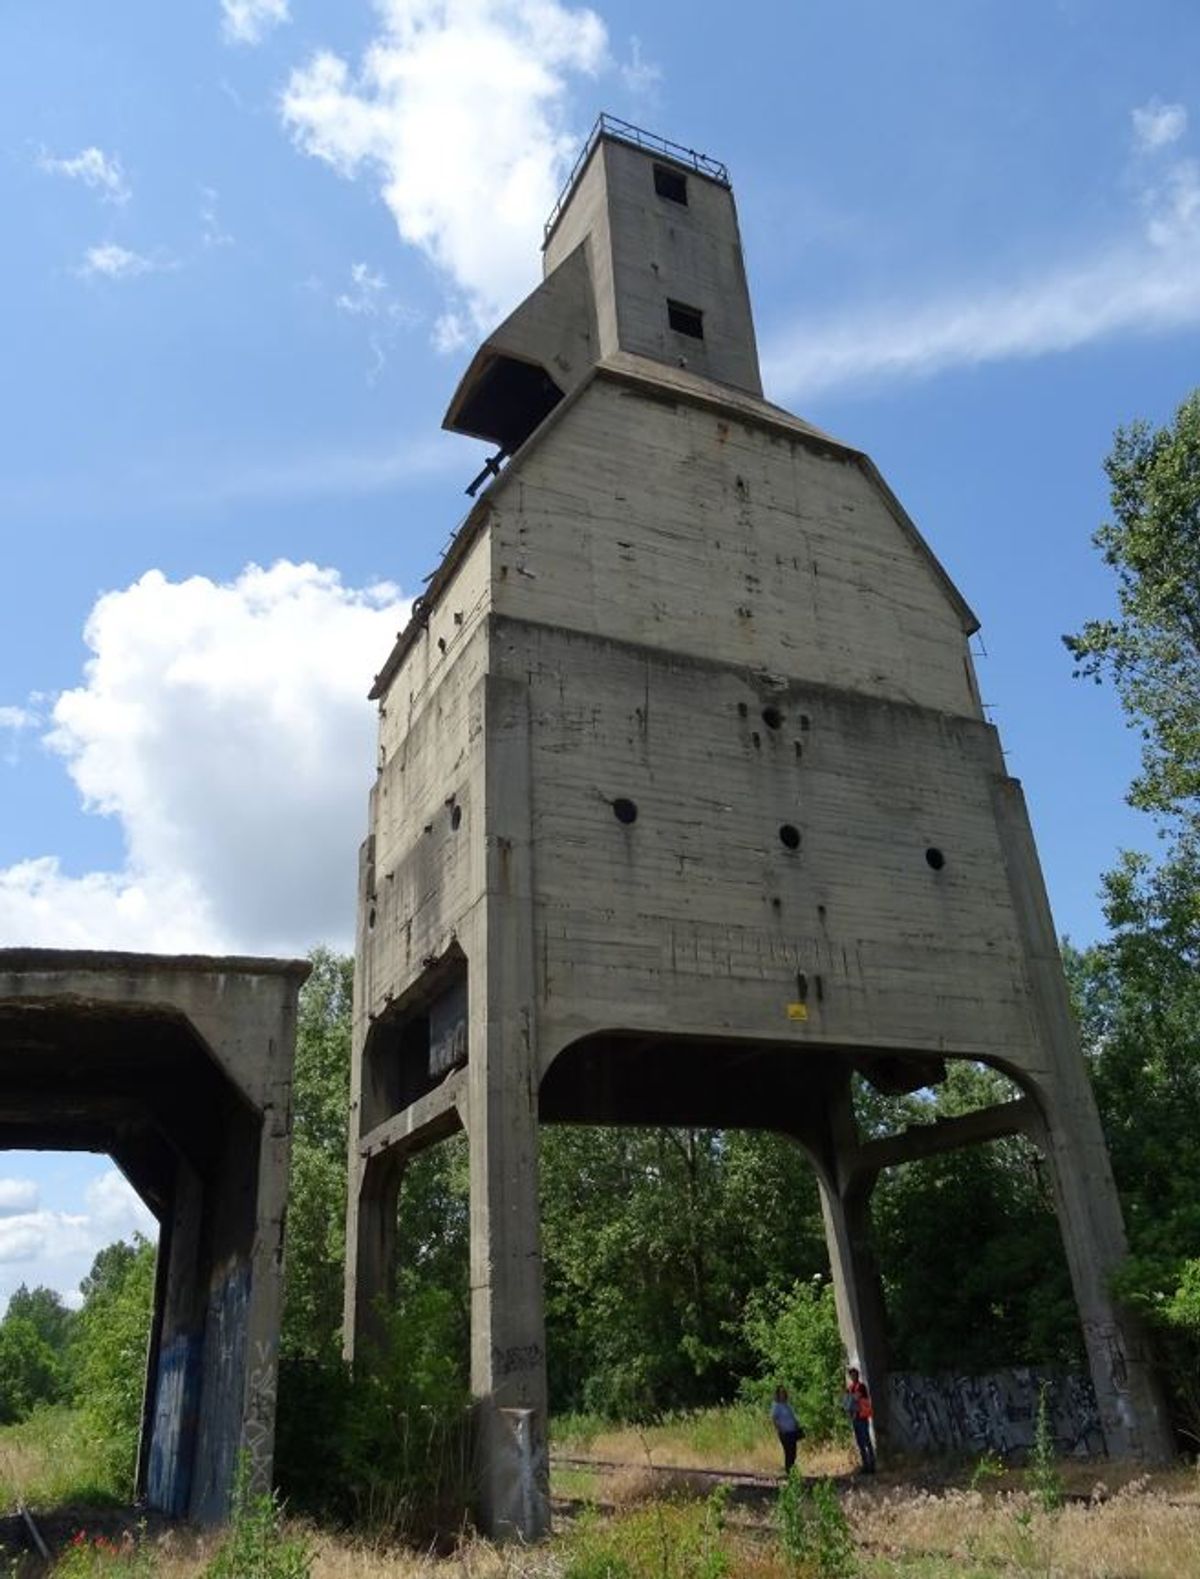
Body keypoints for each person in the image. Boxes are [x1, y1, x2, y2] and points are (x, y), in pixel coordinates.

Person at [844, 1367, 876, 1474]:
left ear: (857, 1375)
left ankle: (871, 1465)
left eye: (854, 1375)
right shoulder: (851, 1387)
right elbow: (846, 1402)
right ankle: (865, 1465)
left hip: (862, 1417)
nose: (852, 1377)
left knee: (866, 1441)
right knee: (860, 1443)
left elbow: (856, 1398)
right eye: (851, 1375)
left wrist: (848, 1396)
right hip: (855, 1418)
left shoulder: (861, 1386)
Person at [770, 1385, 803, 1472]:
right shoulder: (776, 1406)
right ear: (778, 1394)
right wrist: (780, 1429)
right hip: (785, 1433)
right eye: (781, 1393)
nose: (783, 1394)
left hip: (792, 1432)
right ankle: (789, 1471)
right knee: (788, 1452)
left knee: (793, 1452)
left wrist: (797, 1424)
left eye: (784, 1392)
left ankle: (792, 1469)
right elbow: (774, 1418)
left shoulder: (787, 1405)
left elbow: (792, 1416)